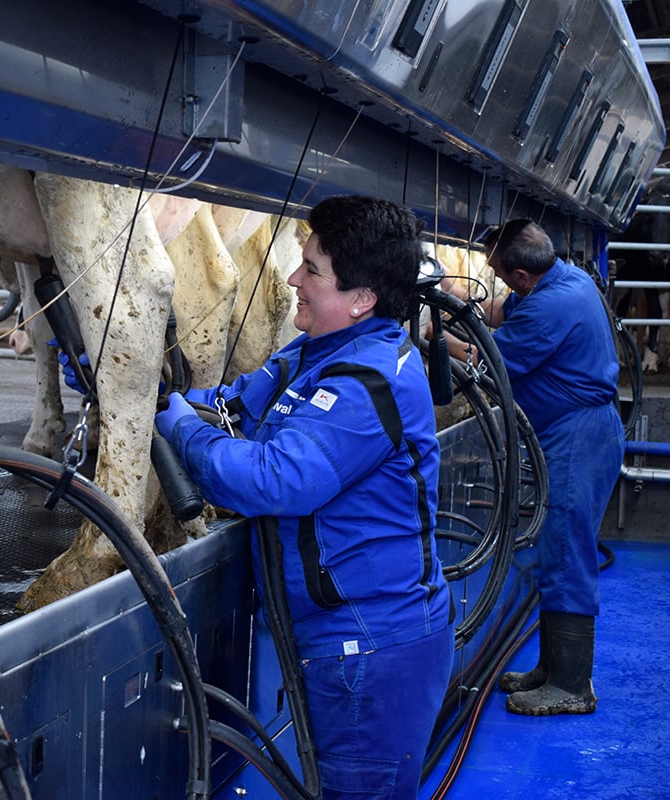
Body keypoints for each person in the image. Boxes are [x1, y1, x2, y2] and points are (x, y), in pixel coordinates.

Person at [153, 196, 453, 800]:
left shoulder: (369, 380)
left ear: (362, 298)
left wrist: (179, 427)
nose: (292, 278)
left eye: (312, 269)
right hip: (336, 638)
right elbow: (233, 403)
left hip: (372, 645)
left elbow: (272, 479)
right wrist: (144, 383)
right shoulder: (313, 355)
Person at [459, 219, 624, 716]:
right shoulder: (561, 278)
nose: (501, 282)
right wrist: (457, 303)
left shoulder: (553, 304)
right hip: (570, 431)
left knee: (569, 553)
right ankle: (551, 669)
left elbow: (488, 362)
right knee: (557, 550)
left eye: (499, 273)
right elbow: (497, 313)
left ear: (522, 275)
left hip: (580, 438)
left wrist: (435, 337)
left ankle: (573, 686)